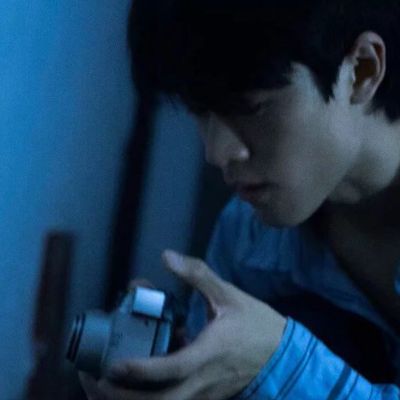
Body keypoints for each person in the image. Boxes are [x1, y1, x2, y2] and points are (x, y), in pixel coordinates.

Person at [80, 0, 400, 398]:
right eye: (200, 111)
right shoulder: (246, 239)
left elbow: (276, 366)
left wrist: (280, 368)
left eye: (252, 107)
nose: (217, 152)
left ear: (362, 70)